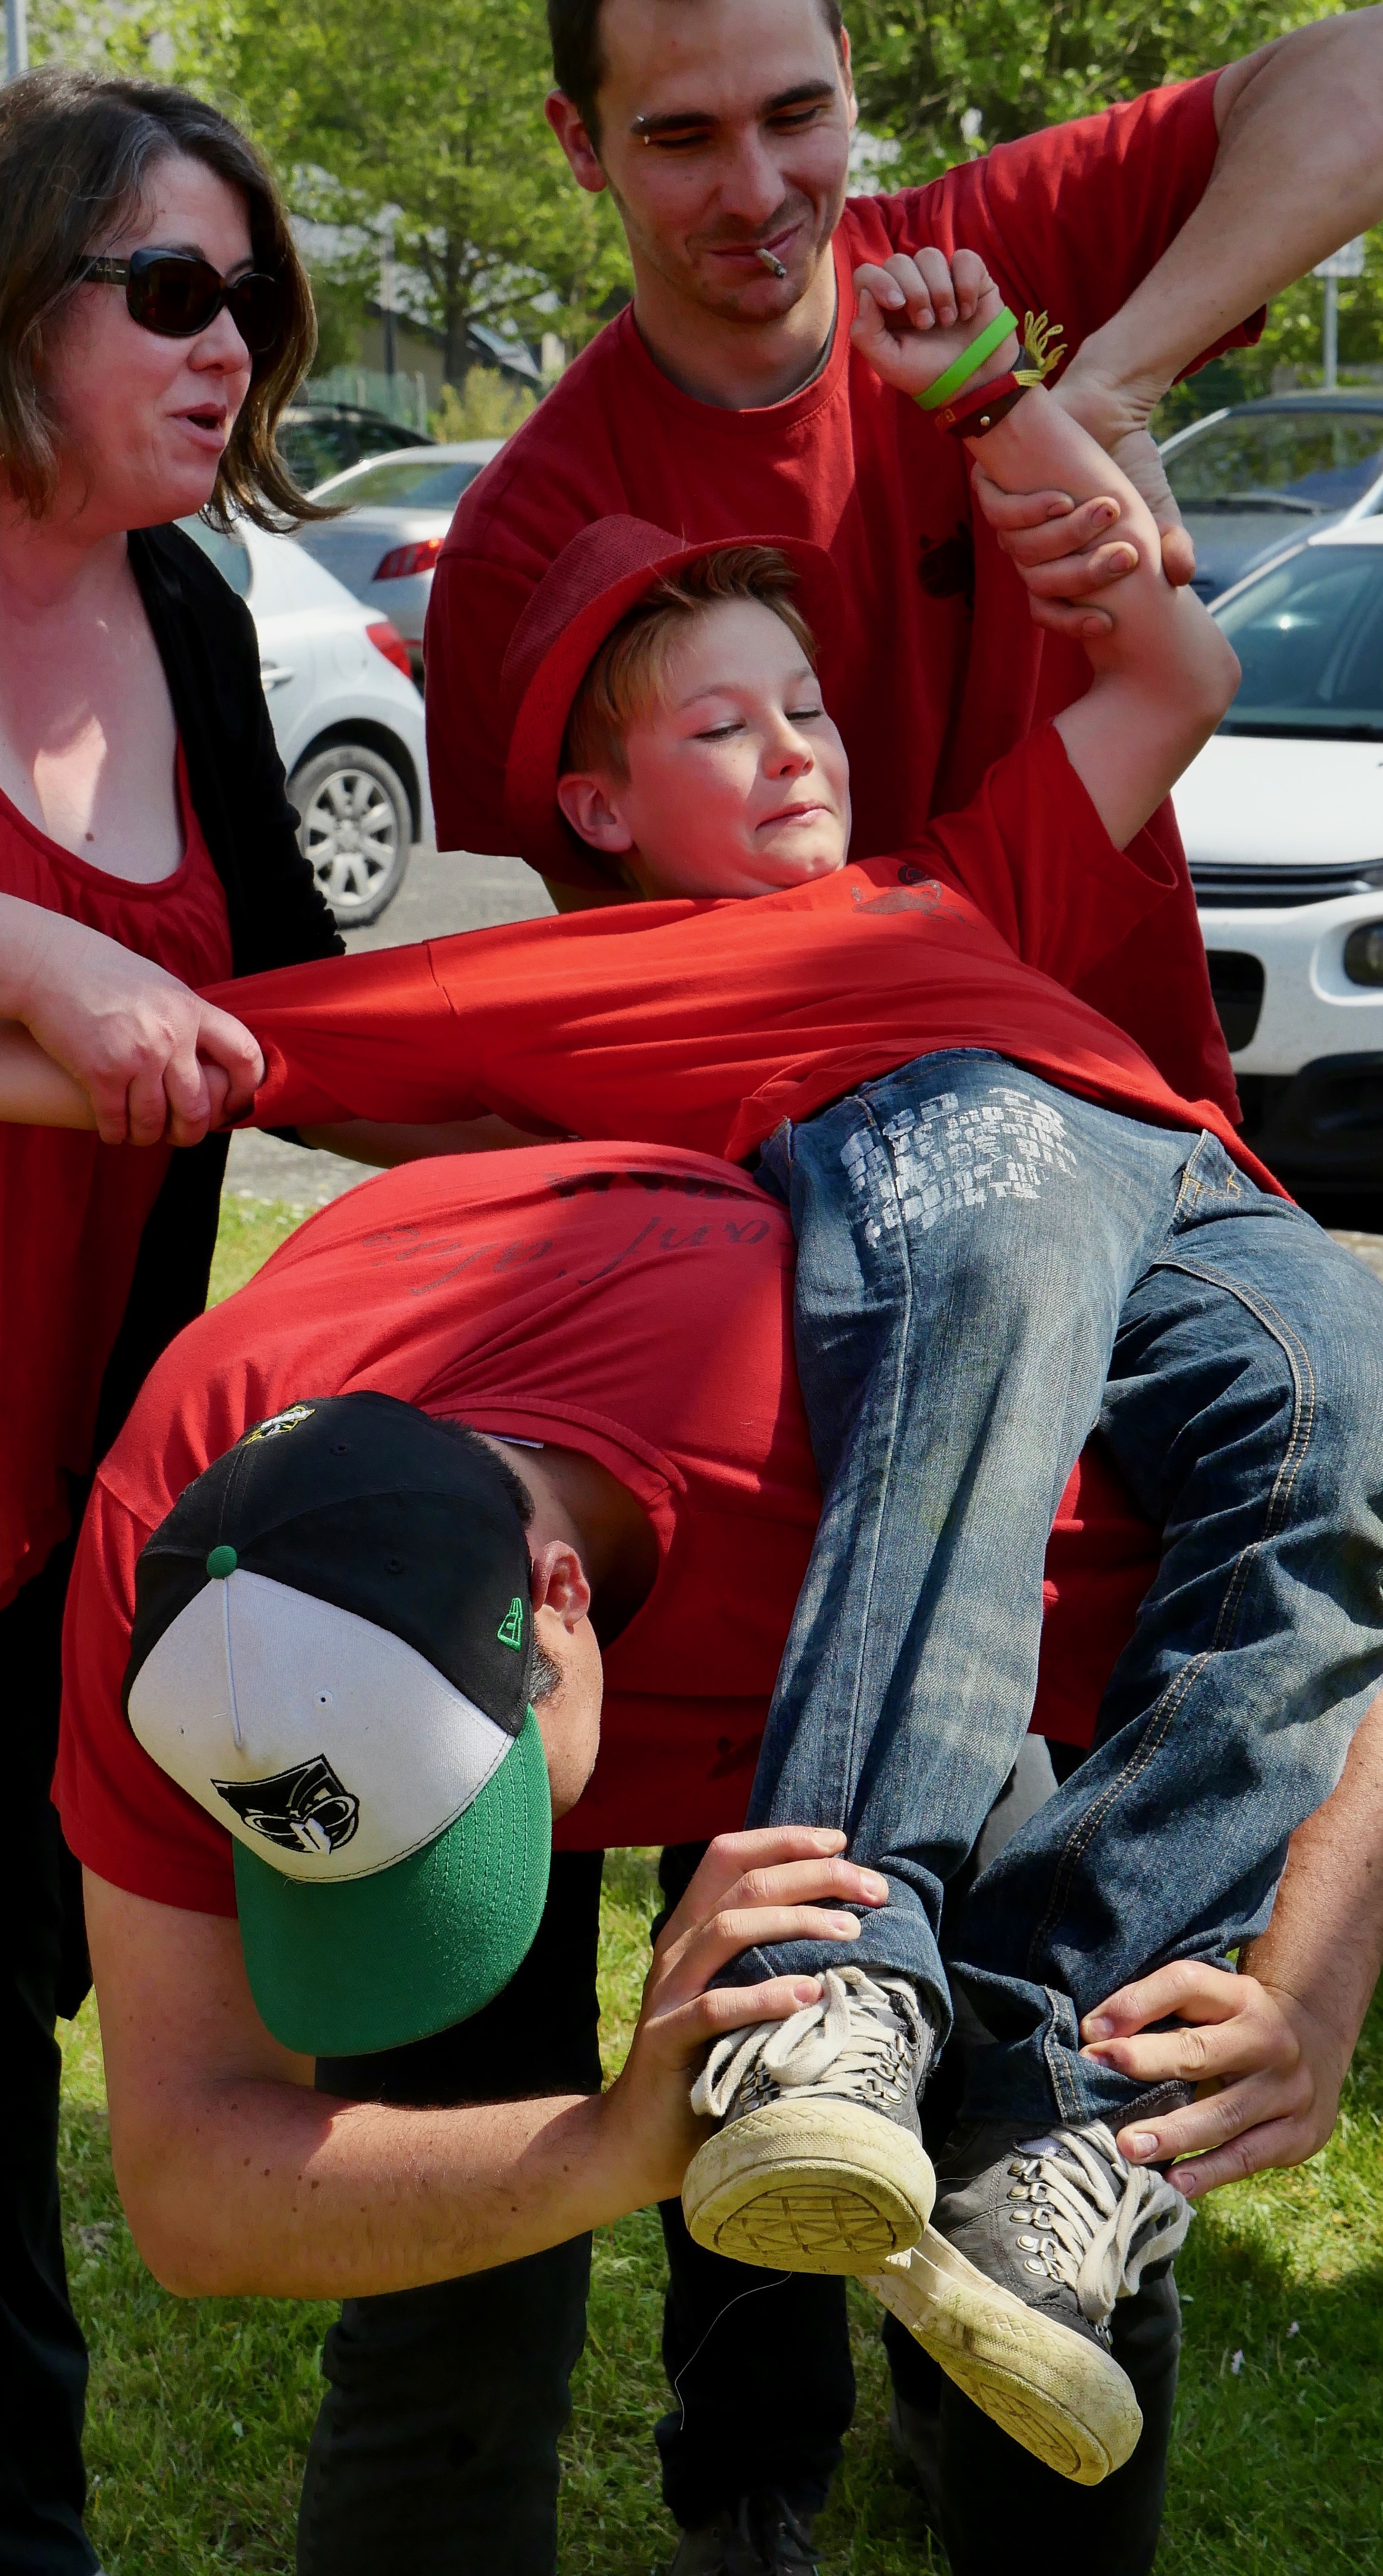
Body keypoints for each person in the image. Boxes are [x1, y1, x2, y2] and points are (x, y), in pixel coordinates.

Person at [77, 269, 1383, 2482]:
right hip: (953, 1181)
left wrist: (991, 394)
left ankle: (1061, 2086)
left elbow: (1178, 669)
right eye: (721, 727)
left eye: (810, 706)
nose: (794, 748)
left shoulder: (958, 881)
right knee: (975, 1253)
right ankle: (856, 1985)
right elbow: (205, 1049)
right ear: (595, 805)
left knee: (1341, 1428)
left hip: (1183, 1190)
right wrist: (15, 998)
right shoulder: (604, 982)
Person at [48, 1138, 1382, 2576]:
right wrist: (603, 2147)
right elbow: (192, 2189)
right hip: (608, 1498)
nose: (408, 1890)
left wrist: (1309, 1985)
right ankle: (742, 2486)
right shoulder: (184, 1590)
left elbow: (1337, 1542)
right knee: (457, 2285)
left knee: (1068, 2128)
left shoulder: (923, 1484)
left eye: (446, 1825)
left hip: (809, 1543)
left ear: (560, 1597)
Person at [425, 0, 1382, 1079]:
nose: (756, 193)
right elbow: (643, 992)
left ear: (847, 76)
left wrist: (1109, 387)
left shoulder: (987, 265)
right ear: (579, 140)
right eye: (682, 138)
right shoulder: (527, 547)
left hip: (1129, 1108)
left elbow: (1366, 65)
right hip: (796, 1143)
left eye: (796, 115)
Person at [0, 68, 343, 2575]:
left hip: (28, 1531)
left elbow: (292, 1014)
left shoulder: (189, 610)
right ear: (11, 295)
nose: (234, 351)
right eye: (175, 291)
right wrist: (31, 957)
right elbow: (95, 1011)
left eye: (256, 306)